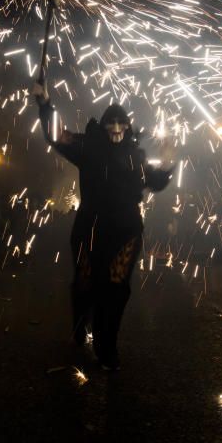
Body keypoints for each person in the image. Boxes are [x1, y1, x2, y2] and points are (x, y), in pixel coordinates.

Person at [33, 81, 174, 370]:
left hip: (126, 231)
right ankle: (79, 324)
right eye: (111, 123)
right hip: (90, 228)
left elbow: (156, 182)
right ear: (104, 125)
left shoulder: (137, 155)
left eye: (121, 123)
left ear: (127, 127)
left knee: (116, 287)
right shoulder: (87, 146)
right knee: (86, 283)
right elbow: (57, 136)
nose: (116, 128)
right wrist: (45, 104)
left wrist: (169, 163)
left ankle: (106, 346)